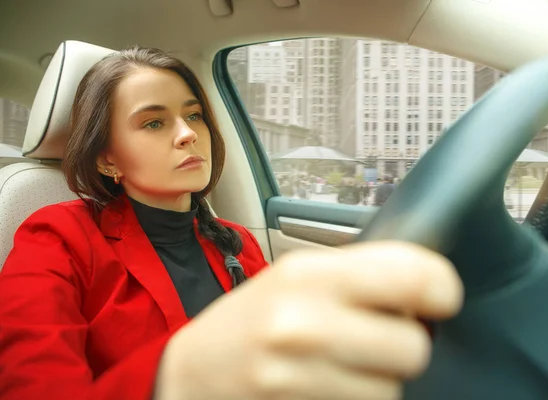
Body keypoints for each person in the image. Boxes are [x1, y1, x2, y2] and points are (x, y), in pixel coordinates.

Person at [0, 46, 464, 400]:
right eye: (154, 124)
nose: (187, 133)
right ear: (107, 159)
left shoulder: (237, 242)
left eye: (193, 114)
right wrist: (180, 377)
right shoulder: (56, 238)